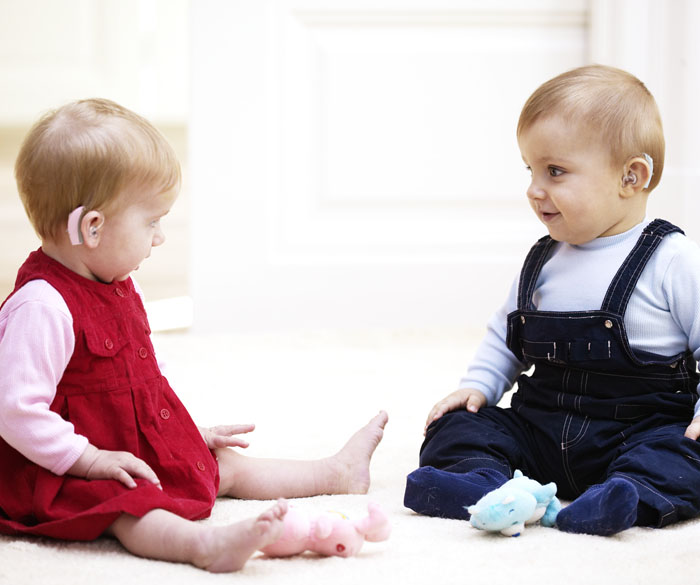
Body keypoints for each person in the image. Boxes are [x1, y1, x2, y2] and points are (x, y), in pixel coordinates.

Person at [0, 98, 388, 571]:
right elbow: (15, 410)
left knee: (220, 463)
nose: (159, 237)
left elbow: (141, 377)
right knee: (128, 505)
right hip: (64, 465)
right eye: (151, 222)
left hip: (123, 443)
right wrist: (89, 460)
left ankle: (335, 472)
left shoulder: (120, 286)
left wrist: (180, 430)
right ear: (93, 227)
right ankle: (202, 546)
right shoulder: (42, 307)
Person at [404, 64, 700, 536]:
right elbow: (504, 336)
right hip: (541, 428)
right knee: (456, 424)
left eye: (555, 171)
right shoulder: (544, 260)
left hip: (639, 430)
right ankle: (481, 482)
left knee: (684, 454)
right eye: (531, 170)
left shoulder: (672, 259)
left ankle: (624, 497)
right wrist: (478, 386)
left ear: (631, 176)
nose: (533, 189)